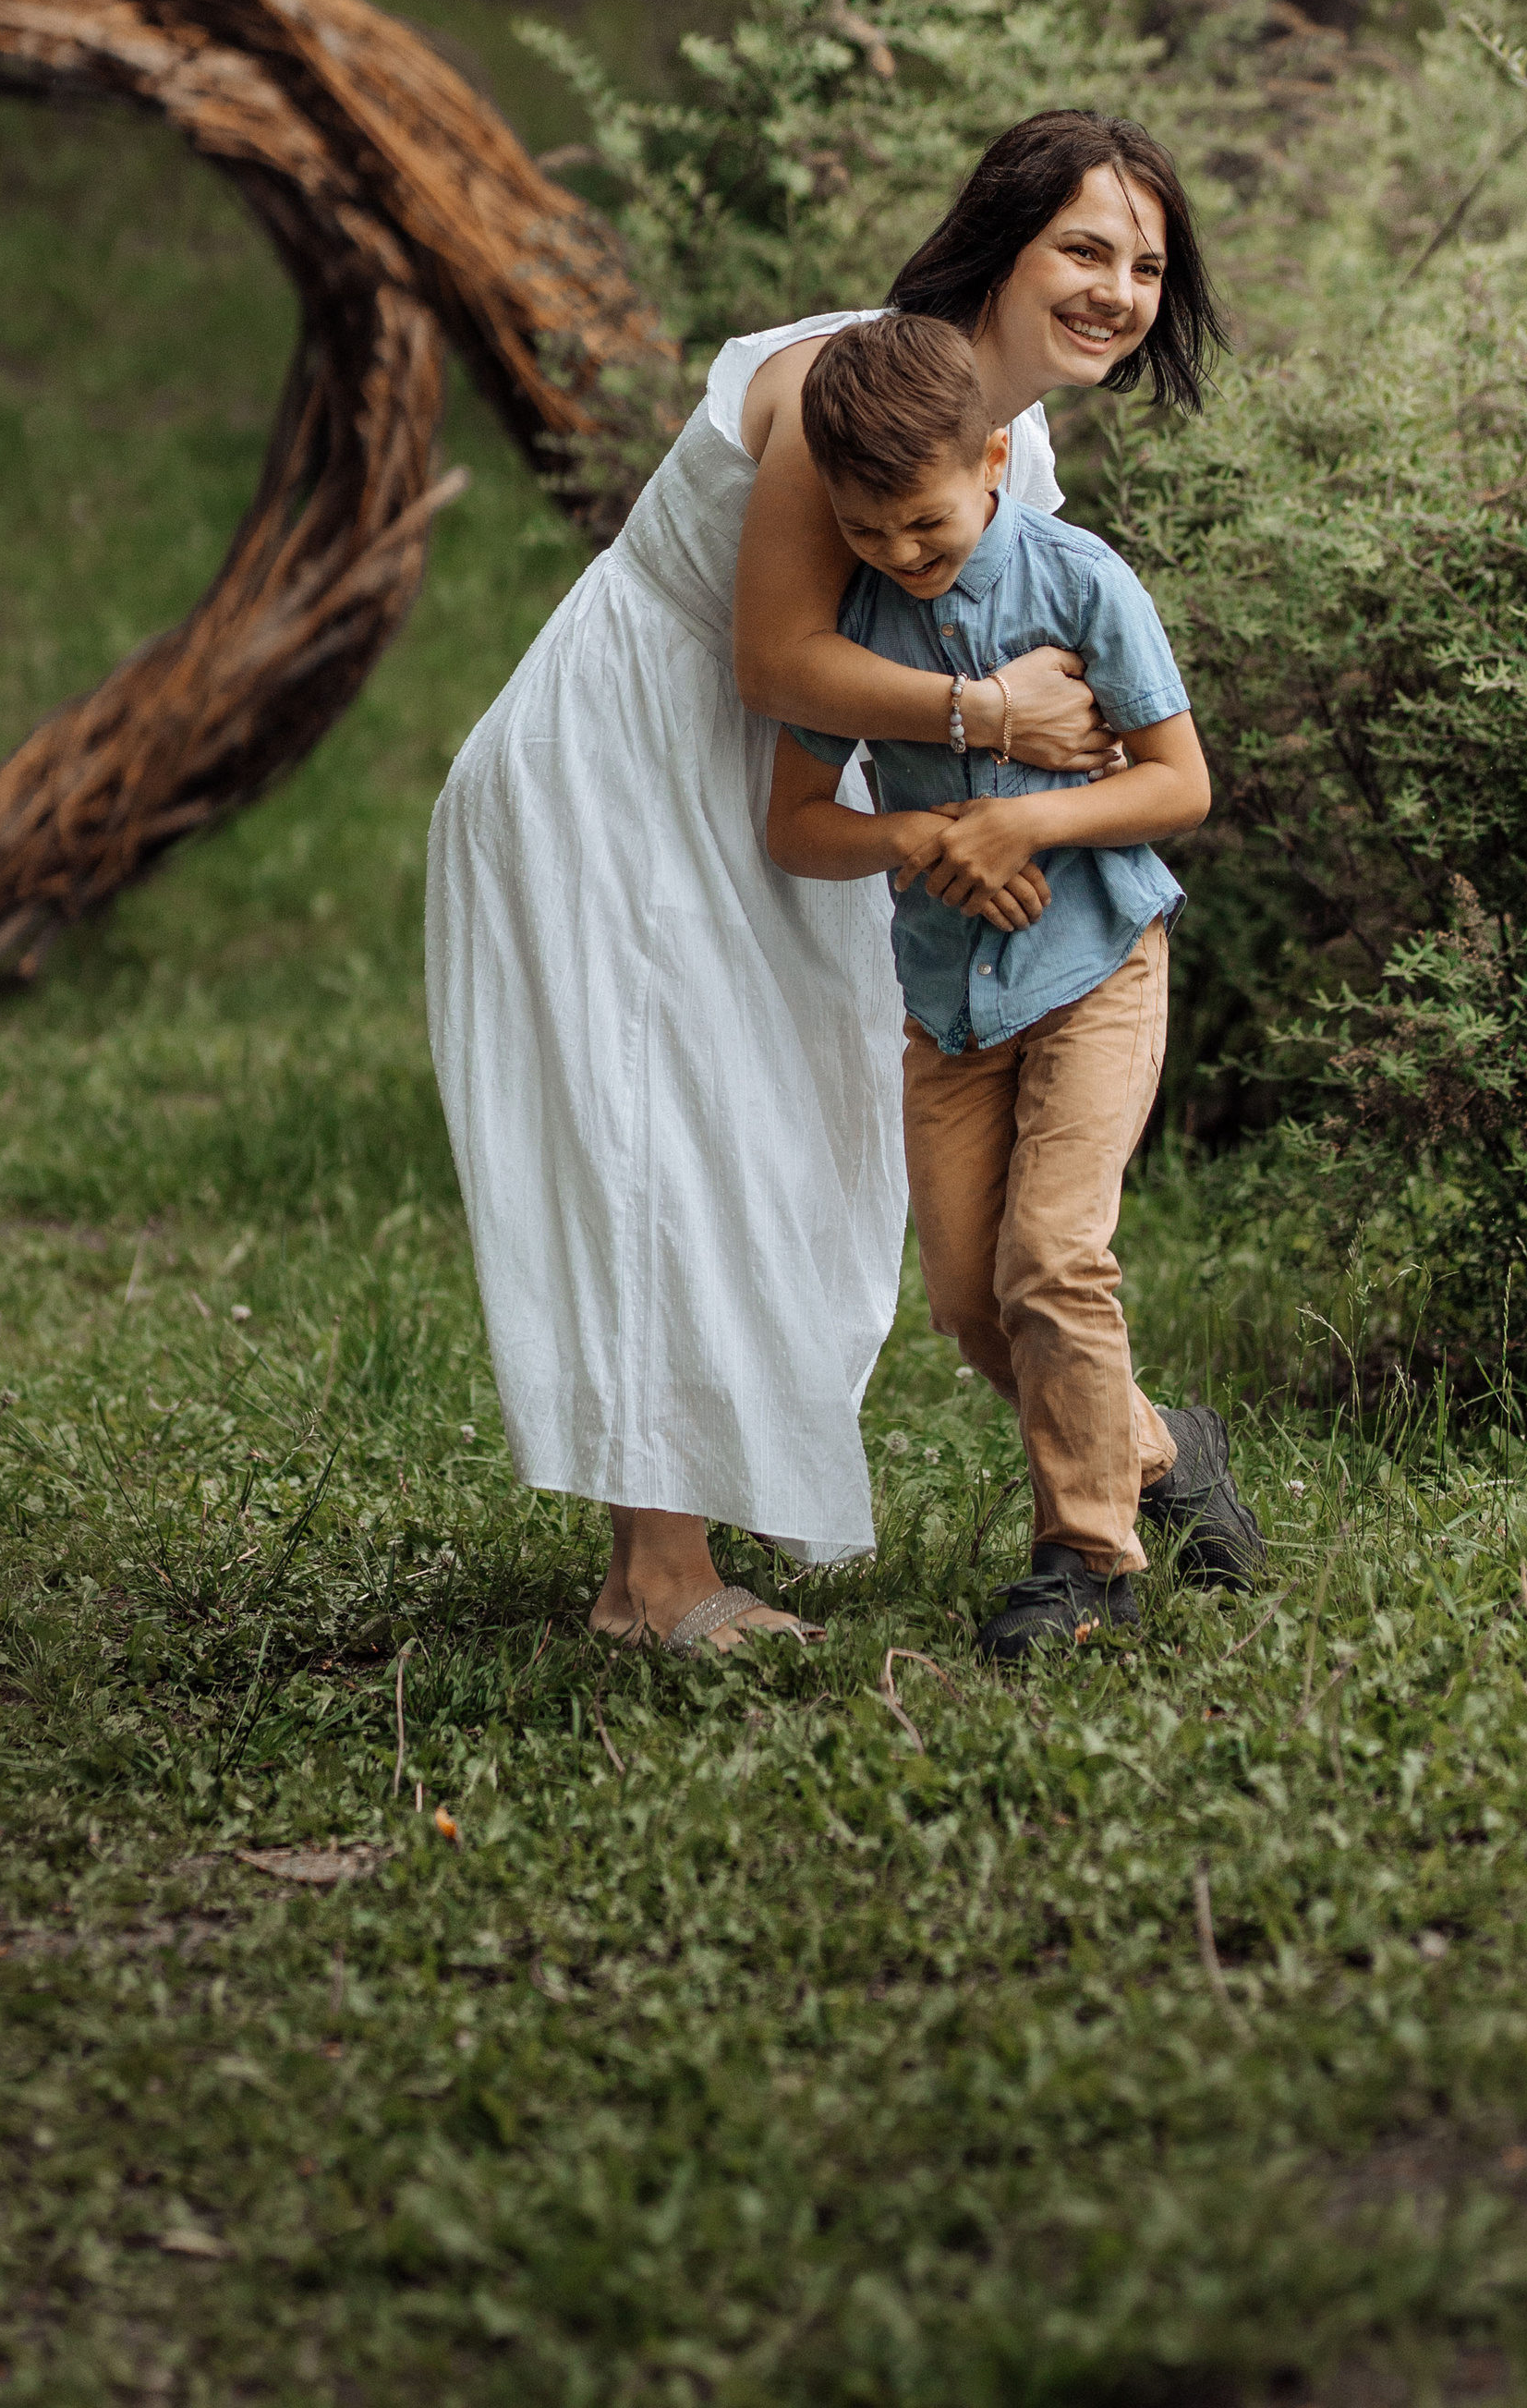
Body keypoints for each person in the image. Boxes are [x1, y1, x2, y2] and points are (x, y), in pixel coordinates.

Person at [428, 108, 1224, 1654]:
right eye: (1084, 248)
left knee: (785, 1134)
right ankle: (653, 1579)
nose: (1116, 289)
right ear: (1002, 240)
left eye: (1144, 264)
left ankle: (1146, 1456)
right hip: (635, 760)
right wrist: (993, 722)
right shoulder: (842, 385)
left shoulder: (1015, 444)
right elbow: (777, 653)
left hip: (787, 781)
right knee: (654, 1124)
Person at [766, 311, 1265, 1657]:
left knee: (1052, 1258)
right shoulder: (861, 626)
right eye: (868, 535)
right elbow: (797, 822)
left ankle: (1087, 1563)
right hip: (953, 1003)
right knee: (973, 1305)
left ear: (993, 461)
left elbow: (1181, 783)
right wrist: (925, 839)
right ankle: (1167, 1450)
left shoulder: (1082, 581)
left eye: (924, 525)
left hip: (1098, 962)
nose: (902, 558)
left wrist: (1024, 823)